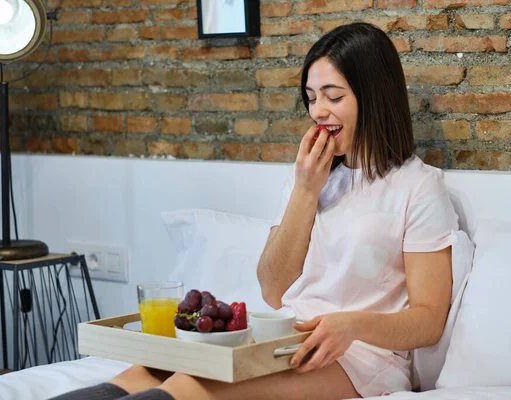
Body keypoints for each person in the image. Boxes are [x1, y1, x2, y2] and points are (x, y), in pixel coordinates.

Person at [51, 22, 458, 400]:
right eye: (312, 98)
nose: (319, 111)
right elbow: (273, 289)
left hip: (361, 359)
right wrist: (304, 192)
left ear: (373, 97)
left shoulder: (418, 187)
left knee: (193, 385)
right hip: (282, 339)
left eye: (334, 97)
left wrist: (352, 324)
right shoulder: (309, 177)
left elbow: (428, 319)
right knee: (145, 372)